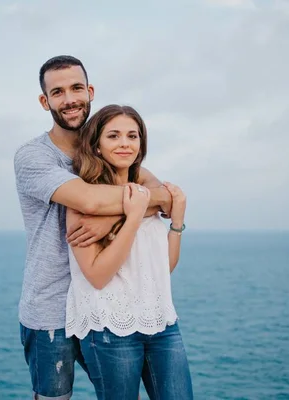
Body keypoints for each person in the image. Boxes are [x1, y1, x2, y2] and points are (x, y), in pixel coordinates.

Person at [13, 55, 172, 399]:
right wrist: (123, 210)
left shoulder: (107, 145)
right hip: (51, 310)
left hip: (105, 306)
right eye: (58, 92)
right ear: (45, 101)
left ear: (90, 91)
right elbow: (90, 201)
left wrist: (117, 217)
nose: (69, 99)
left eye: (76, 88)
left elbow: (163, 196)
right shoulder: (33, 157)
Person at [65, 104, 193, 400]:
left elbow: (165, 267)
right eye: (114, 136)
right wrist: (133, 217)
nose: (125, 143)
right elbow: (97, 276)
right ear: (96, 145)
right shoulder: (82, 200)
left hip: (160, 323)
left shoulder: (146, 192)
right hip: (109, 328)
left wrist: (177, 221)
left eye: (132, 136)